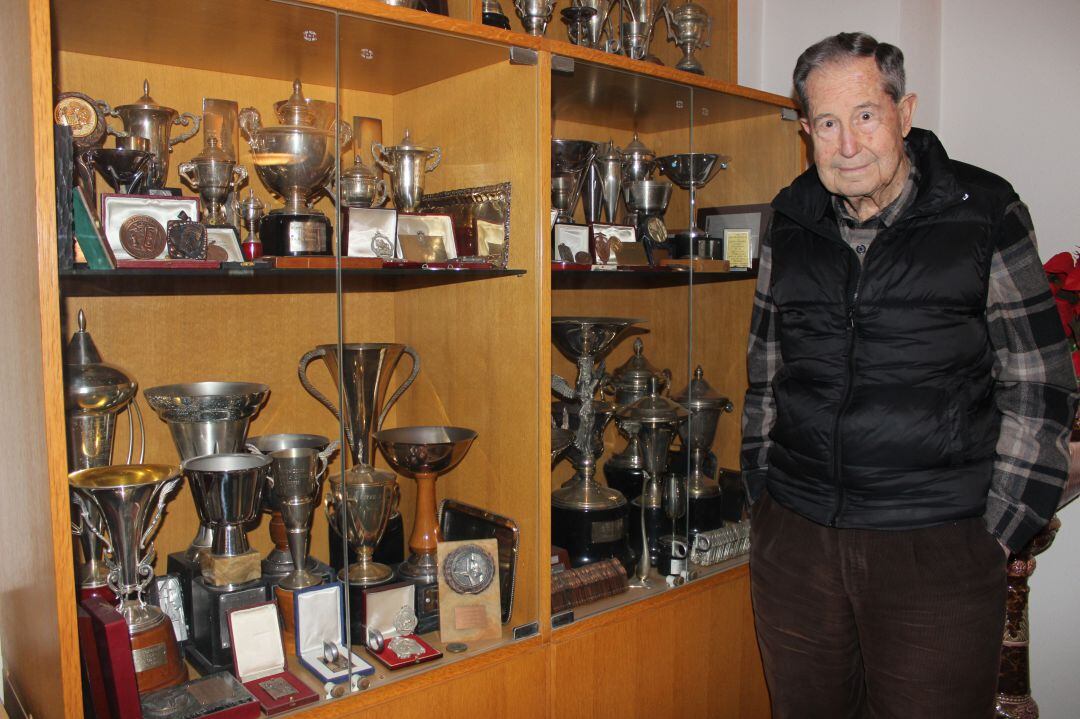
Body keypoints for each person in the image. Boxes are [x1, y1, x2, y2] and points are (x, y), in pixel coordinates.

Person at [741, 31, 1077, 719]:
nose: (848, 144)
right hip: (799, 543)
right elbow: (766, 370)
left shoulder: (984, 212)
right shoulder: (789, 219)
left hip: (938, 548)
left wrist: (996, 532)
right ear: (805, 130)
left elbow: (1038, 381)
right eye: (826, 124)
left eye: (865, 115)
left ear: (905, 111)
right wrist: (765, 500)